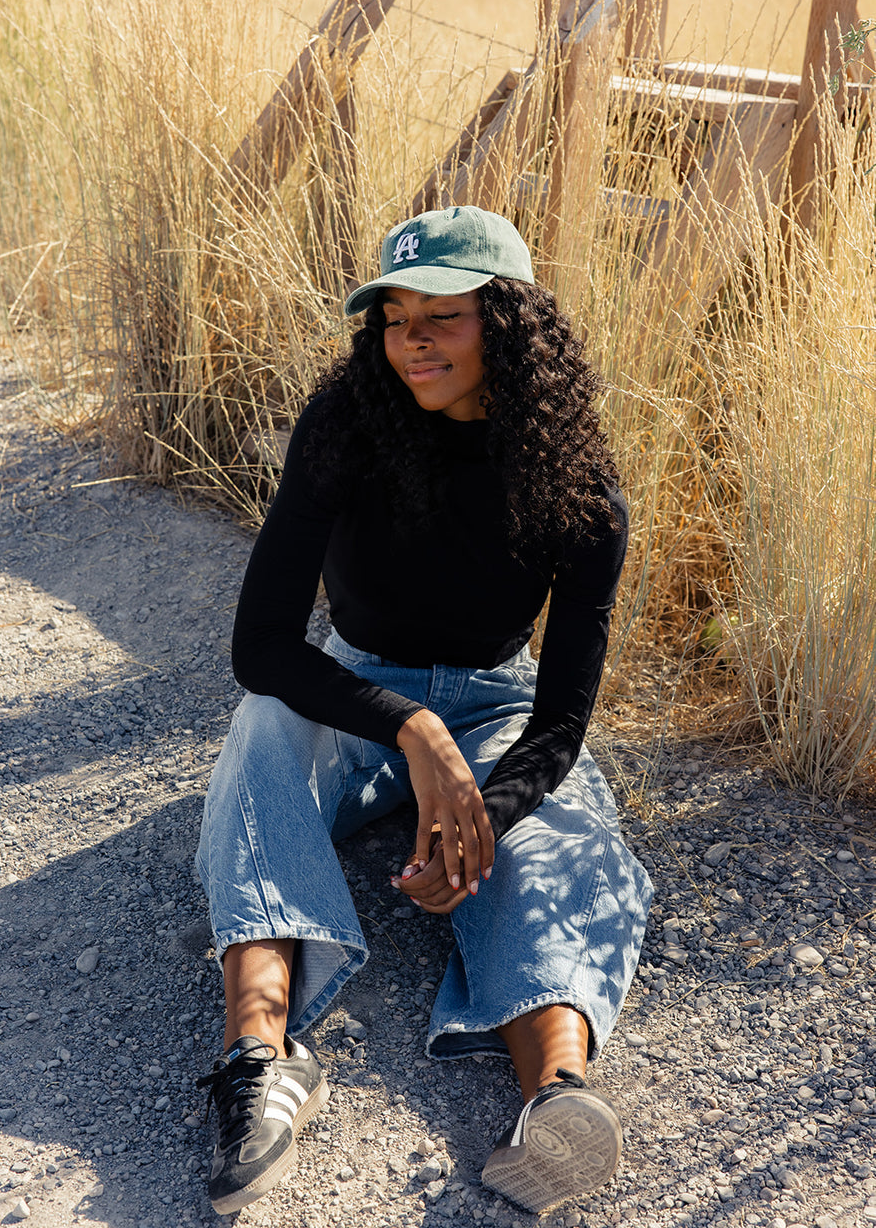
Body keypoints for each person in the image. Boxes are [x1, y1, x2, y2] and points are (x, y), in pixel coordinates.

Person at [194, 205, 653, 1218]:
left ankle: (554, 1096)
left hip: (500, 696)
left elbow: (560, 723)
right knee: (262, 732)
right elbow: (261, 644)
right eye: (395, 314)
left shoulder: (581, 491)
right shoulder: (345, 423)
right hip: (357, 685)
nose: (410, 339)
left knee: (565, 830)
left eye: (441, 315)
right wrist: (412, 725)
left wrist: (488, 809)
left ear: (509, 323)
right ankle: (260, 1061)